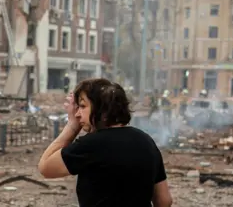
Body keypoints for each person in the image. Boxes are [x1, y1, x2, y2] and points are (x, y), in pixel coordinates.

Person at [38, 78, 173, 207]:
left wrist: (72, 126)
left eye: (83, 106)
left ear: (103, 111)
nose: (78, 114)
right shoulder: (146, 141)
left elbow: (45, 167)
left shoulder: (92, 144)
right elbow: (164, 201)